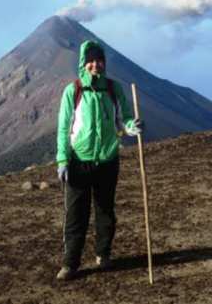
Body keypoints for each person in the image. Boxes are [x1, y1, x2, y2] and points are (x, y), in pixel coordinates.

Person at [55, 40, 144, 281]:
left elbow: (123, 119)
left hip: (107, 160)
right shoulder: (73, 91)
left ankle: (103, 255)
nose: (96, 65)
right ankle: (70, 264)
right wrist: (63, 159)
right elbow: (64, 129)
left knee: (105, 211)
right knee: (76, 215)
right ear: (84, 63)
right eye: (91, 61)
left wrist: (130, 127)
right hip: (78, 162)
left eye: (99, 60)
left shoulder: (114, 90)